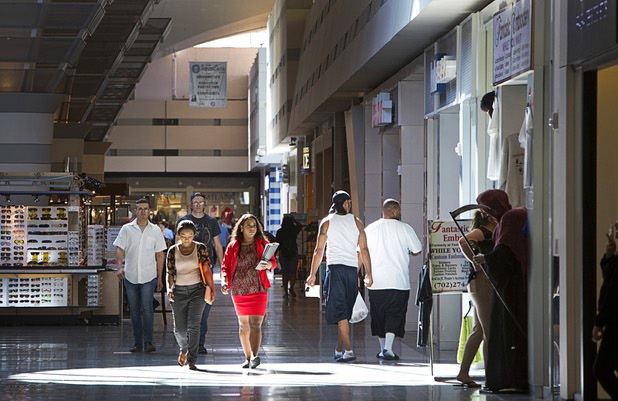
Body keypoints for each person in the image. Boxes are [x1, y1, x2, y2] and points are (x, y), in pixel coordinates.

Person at [306, 190, 373, 362]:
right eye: (348, 202)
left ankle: (347, 351)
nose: (349, 205)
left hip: (335, 271)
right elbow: (364, 250)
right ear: (343, 203)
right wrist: (368, 274)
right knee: (344, 312)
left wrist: (312, 274)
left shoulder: (327, 223)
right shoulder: (358, 223)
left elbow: (319, 250)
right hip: (351, 272)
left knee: (342, 312)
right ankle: (340, 349)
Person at [472, 189, 529, 392]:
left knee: (506, 331)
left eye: (486, 209)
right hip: (518, 283)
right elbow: (504, 246)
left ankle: (509, 380)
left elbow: (505, 253)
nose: (485, 215)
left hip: (513, 285)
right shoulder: (511, 217)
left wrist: (485, 258)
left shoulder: (510, 218)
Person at [364, 199, 421, 361]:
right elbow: (417, 249)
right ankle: (388, 348)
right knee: (395, 314)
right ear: (395, 211)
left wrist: (363, 274)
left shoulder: (370, 229)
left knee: (378, 315)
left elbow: (361, 252)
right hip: (399, 281)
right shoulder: (405, 228)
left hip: (376, 282)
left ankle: (384, 349)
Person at [221, 214, 277, 369]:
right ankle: (247, 358)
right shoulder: (233, 245)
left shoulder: (262, 243)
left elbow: (273, 262)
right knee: (244, 325)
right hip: (239, 289)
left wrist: (268, 266)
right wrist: (225, 280)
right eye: (248, 226)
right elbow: (225, 265)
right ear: (241, 228)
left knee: (256, 324)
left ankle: (255, 356)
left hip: (259, 288)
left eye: (254, 225)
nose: (251, 228)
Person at [114, 199, 167, 353]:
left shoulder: (155, 230)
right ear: (135, 211)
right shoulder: (126, 229)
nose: (143, 212)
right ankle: (138, 342)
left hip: (149, 275)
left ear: (149, 211)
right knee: (134, 310)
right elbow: (119, 248)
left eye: (145, 209)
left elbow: (160, 255)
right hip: (130, 274)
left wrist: (159, 276)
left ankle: (148, 342)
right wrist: (119, 267)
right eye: (140, 209)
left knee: (147, 309)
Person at [177, 192, 224, 354]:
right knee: (187, 306)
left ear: (205, 204)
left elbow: (217, 245)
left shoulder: (211, 222)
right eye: (195, 202)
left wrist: (223, 266)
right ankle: (189, 341)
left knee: (204, 307)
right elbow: (178, 245)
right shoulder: (183, 221)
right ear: (191, 204)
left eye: (201, 202)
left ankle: (199, 342)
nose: (198, 205)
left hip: (206, 269)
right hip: (186, 270)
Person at [166, 220, 216, 370]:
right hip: (179, 291)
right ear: (178, 236)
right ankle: (184, 349)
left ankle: (192, 359)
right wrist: (169, 288)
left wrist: (211, 288)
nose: (187, 238)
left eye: (190, 235)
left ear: (194, 235)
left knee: (194, 326)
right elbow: (169, 272)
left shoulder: (201, 248)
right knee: (180, 330)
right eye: (183, 235)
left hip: (197, 291)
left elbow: (206, 269)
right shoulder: (172, 251)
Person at [456, 210, 497, 387]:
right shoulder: (485, 231)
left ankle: (464, 372)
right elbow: (463, 241)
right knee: (487, 330)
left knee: (479, 329)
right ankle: (491, 376)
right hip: (482, 281)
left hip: (479, 282)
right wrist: (476, 262)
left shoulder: (488, 231)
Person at [592, 225, 618, 400]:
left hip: (616, 323)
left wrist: (599, 322)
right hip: (614, 321)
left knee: (601, 369)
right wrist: (609, 257)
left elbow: (613, 293)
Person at [276, 214, 303, 298]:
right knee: (293, 272)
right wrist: (294, 220)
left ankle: (285, 292)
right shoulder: (293, 230)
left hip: (283, 253)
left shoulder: (280, 231)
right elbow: (300, 226)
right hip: (293, 252)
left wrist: (275, 253)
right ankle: (291, 287)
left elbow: (277, 243)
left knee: (285, 273)